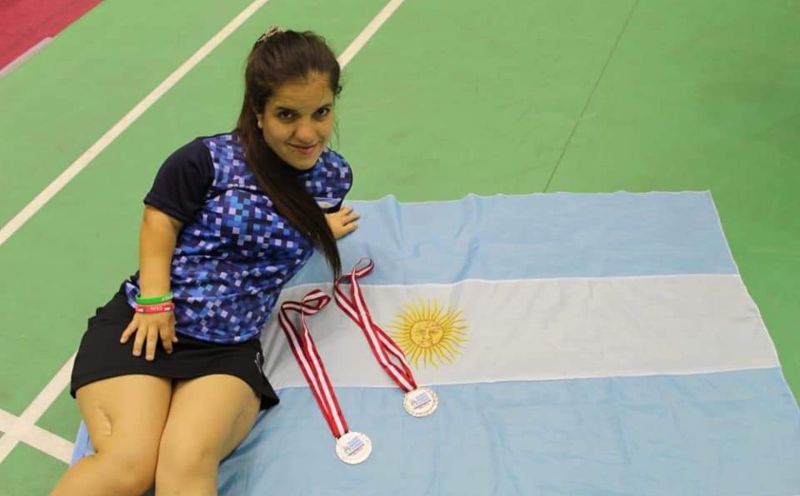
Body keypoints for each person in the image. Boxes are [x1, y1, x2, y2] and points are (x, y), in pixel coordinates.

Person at [51, 27, 359, 496]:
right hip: (149, 326)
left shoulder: (332, 178)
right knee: (130, 466)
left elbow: (276, 215)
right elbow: (159, 221)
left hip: (228, 348)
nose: (307, 132)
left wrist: (315, 226)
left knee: (185, 464)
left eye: (321, 112)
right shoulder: (206, 160)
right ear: (256, 112)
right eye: (286, 115)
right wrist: (155, 303)